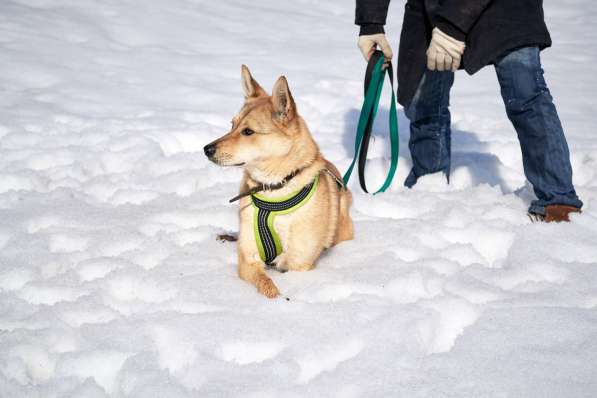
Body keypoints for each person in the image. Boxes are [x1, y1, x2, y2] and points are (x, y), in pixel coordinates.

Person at [354, 0, 583, 222]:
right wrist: (371, 22)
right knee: (422, 100)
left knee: (526, 98)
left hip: (507, 8)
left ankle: (558, 200)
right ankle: (430, 185)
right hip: (431, 9)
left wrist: (453, 25)